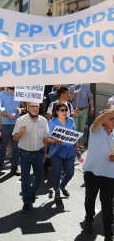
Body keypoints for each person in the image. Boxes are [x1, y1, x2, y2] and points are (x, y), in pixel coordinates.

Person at [82, 109, 114, 241]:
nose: (113, 120)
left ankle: (108, 233)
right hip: (92, 173)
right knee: (90, 199)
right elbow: (97, 120)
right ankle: (89, 219)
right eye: (111, 118)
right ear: (104, 119)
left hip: (110, 176)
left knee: (107, 205)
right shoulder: (95, 130)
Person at [13, 102, 49, 213]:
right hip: (25, 153)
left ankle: (31, 192)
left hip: (39, 153)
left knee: (40, 176)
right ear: (28, 108)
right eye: (32, 106)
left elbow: (45, 138)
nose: (35, 108)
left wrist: (45, 153)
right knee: (25, 178)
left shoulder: (43, 120)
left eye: (37, 106)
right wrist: (21, 133)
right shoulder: (21, 120)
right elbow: (14, 137)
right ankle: (27, 202)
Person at [47, 102, 81, 204]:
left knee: (70, 172)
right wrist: (55, 141)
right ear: (57, 112)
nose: (65, 112)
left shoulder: (70, 120)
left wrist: (78, 149)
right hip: (57, 152)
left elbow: (74, 135)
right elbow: (46, 138)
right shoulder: (51, 123)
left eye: (66, 110)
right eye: (62, 110)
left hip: (70, 151)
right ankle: (57, 191)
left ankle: (62, 186)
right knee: (57, 173)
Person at [0, 87, 22, 175]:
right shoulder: (2, 94)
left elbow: (25, 106)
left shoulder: (19, 93)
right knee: (4, 144)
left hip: (17, 123)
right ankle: (0, 162)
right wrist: (7, 114)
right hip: (6, 123)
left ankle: (14, 166)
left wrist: (21, 109)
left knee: (16, 146)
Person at [69, 84, 94, 148]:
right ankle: (73, 145)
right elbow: (69, 99)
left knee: (81, 128)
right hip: (74, 111)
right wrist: (74, 94)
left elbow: (90, 98)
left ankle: (79, 144)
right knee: (75, 128)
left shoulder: (85, 87)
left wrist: (92, 108)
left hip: (84, 110)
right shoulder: (71, 88)